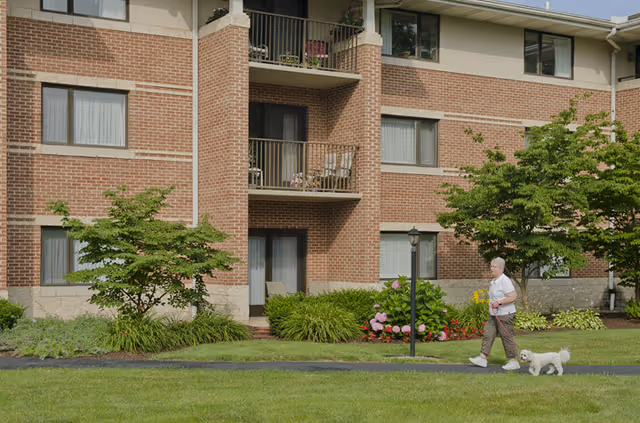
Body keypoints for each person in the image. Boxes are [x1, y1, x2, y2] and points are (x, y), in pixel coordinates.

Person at [469, 257, 520, 370]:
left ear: (501, 268)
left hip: (505, 314)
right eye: (491, 266)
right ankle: (482, 358)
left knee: (506, 337)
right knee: (488, 334)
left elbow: (513, 296)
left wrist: (500, 302)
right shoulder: (494, 281)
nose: (491, 268)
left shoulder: (504, 280)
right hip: (494, 314)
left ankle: (513, 361)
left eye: (494, 266)